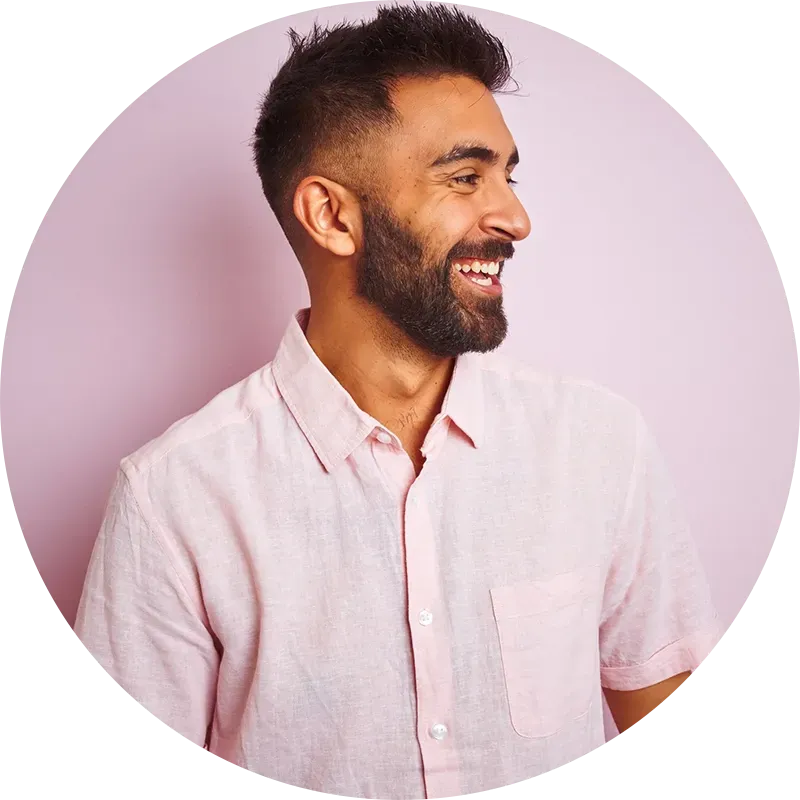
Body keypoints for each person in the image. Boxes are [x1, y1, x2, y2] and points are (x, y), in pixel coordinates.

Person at [74, 3, 721, 797]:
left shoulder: (599, 445)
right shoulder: (174, 499)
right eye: (464, 177)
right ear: (332, 216)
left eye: (507, 176)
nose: (514, 217)